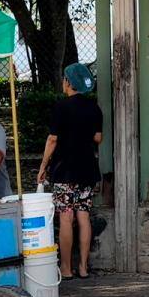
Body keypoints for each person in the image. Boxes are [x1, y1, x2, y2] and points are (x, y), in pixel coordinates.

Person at [37, 63, 103, 279]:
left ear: (68, 82)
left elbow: (52, 139)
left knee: (66, 218)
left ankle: (66, 268)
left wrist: (43, 166)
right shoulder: (94, 107)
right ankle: (84, 267)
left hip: (64, 170)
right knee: (83, 217)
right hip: (87, 170)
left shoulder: (61, 107)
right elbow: (97, 138)